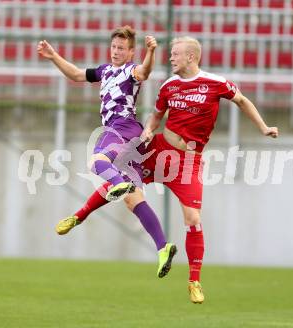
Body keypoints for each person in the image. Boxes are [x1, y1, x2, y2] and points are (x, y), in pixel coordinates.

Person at [62, 36, 278, 303]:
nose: (171, 58)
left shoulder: (215, 83)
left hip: (189, 162)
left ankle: (194, 282)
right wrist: (150, 130)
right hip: (162, 150)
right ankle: (79, 216)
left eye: (175, 54)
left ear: (191, 57)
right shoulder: (169, 86)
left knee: (193, 219)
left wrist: (264, 127)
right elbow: (156, 115)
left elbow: (242, 101)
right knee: (126, 183)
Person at [37, 26, 177, 279]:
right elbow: (78, 74)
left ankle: (114, 186)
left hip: (121, 127)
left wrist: (151, 51)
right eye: (114, 47)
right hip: (130, 136)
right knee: (133, 199)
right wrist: (54, 56)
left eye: (121, 48)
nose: (116, 51)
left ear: (131, 52)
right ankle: (162, 247)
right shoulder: (104, 71)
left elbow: (145, 71)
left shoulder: (130, 70)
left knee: (97, 161)